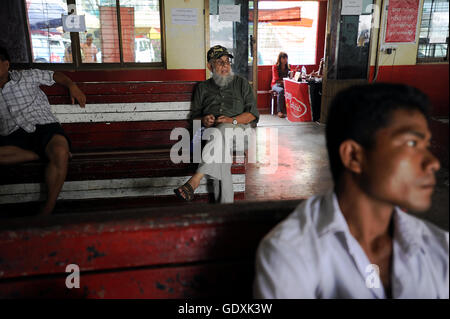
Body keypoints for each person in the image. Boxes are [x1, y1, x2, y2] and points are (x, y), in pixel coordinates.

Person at [254, 83, 448, 298]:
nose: (432, 163)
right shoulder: (292, 251)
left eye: (426, 146)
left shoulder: (438, 247)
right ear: (354, 156)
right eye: (412, 143)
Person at [0, 46, 86, 215]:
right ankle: (41, 153)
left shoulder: (26, 76)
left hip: (43, 126)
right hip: (12, 136)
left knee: (60, 151)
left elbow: (54, 75)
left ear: (6, 64)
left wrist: (72, 85)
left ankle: (47, 209)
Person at [174, 45, 259, 203]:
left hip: (240, 134)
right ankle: (225, 209)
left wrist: (231, 120)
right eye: (220, 62)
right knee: (221, 157)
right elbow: (194, 118)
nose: (225, 65)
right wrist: (204, 120)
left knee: (222, 131)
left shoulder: (241, 83)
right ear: (210, 66)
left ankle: (196, 179)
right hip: (212, 139)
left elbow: (252, 115)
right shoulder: (203, 88)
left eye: (227, 61)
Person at [271, 52, 290, 118]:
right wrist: (286, 81)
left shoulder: (288, 67)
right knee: (281, 91)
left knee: (293, 89)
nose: (285, 60)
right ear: (280, 59)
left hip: (285, 84)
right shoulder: (275, 67)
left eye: (286, 58)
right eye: (283, 58)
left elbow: (292, 76)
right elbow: (276, 79)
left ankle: (292, 111)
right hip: (275, 85)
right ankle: (279, 111)